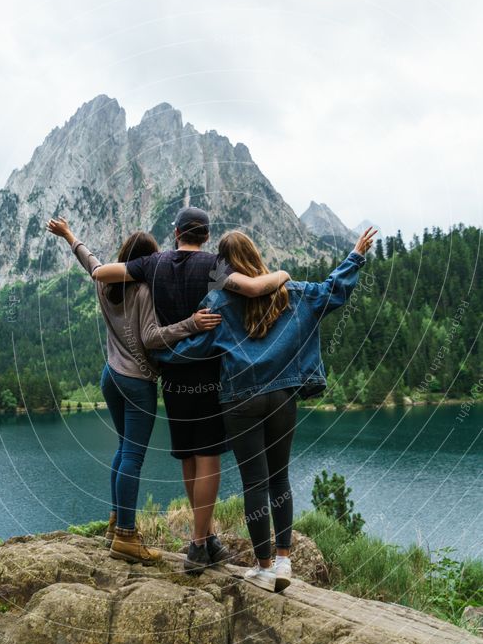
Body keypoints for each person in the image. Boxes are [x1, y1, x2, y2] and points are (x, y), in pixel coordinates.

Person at [156, 227, 377, 591]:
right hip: (283, 397)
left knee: (254, 484)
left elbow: (192, 348)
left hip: (240, 401)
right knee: (280, 479)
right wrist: (355, 255)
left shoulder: (218, 303)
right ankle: (284, 561)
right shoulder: (291, 293)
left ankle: (262, 567)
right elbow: (332, 291)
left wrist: (154, 352)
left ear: (225, 267)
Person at [91, 207, 290, 572]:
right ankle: (200, 543)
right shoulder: (214, 266)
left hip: (173, 377)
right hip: (211, 375)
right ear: (206, 235)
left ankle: (205, 537)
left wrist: (92, 255)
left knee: (187, 456)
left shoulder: (153, 263)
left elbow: (100, 272)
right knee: (208, 455)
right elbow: (255, 287)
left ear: (177, 231)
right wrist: (283, 273)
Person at [46, 217, 221, 565]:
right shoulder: (142, 291)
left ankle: (115, 523)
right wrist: (192, 324)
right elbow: (151, 338)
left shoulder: (104, 286)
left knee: (123, 449)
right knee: (133, 457)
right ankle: (126, 535)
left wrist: (69, 235)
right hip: (137, 382)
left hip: (110, 376)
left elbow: (91, 262)